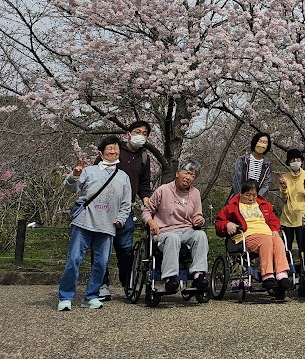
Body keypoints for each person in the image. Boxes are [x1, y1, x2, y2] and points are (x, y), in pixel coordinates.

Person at [58, 136, 132, 311]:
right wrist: (74, 175)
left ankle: (91, 296)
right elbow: (71, 188)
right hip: (84, 222)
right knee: (74, 259)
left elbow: (126, 203)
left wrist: (121, 219)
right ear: (101, 152)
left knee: (101, 263)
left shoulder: (123, 177)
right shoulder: (89, 171)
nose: (113, 151)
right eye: (109, 148)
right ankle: (65, 297)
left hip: (107, 225)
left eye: (116, 148)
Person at [97, 120, 153, 301]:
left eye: (145, 134)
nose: (141, 136)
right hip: (104, 207)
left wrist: (146, 200)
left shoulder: (144, 157)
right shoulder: (114, 149)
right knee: (101, 247)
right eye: (137, 132)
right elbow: (96, 172)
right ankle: (102, 284)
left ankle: (127, 282)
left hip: (126, 208)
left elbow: (144, 184)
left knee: (125, 248)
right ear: (128, 134)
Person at [215, 179, 292, 299]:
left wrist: (275, 230)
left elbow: (273, 220)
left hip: (267, 234)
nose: (251, 198)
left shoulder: (264, 204)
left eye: (254, 195)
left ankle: (282, 275)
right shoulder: (232, 207)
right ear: (241, 193)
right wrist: (227, 224)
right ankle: (267, 276)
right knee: (266, 241)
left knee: (278, 241)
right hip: (247, 236)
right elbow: (218, 222)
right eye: (248, 195)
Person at [142, 160, 209, 294]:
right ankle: (170, 277)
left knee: (201, 235)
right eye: (187, 173)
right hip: (164, 231)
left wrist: (199, 220)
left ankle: (198, 274)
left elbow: (197, 214)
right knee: (173, 237)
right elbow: (146, 211)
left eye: (193, 176)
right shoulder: (163, 190)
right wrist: (151, 222)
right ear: (178, 173)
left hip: (186, 230)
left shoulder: (195, 193)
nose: (189, 177)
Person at [277, 149, 305, 258]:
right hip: (287, 217)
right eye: (292, 160)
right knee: (286, 247)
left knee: (303, 247)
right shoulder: (285, 177)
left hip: (302, 217)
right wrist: (284, 187)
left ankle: (304, 266)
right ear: (288, 162)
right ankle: (286, 266)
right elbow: (284, 199)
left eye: (297, 159)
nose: (295, 162)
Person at [231, 132, 273, 198]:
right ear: (254, 142)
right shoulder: (242, 160)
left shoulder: (267, 165)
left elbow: (266, 184)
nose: (261, 144)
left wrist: (256, 198)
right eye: (259, 141)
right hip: (238, 198)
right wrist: (242, 197)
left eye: (264, 142)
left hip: (256, 200)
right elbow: (236, 180)